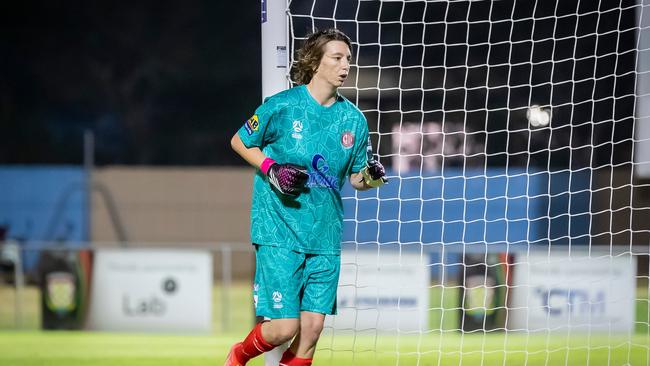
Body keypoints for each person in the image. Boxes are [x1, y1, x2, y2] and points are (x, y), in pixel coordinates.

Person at [225, 28, 387, 366]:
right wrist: (271, 168)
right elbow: (240, 141)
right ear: (316, 62)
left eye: (348, 60)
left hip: (324, 236)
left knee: (311, 331)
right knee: (284, 328)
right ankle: (238, 356)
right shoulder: (282, 106)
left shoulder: (354, 120)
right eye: (337, 57)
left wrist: (371, 178)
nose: (346, 66)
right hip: (279, 230)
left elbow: (357, 179)